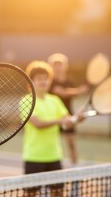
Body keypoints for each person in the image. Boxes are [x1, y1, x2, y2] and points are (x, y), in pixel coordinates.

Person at [21, 61, 84, 196]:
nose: (43, 82)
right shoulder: (26, 101)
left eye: (46, 78)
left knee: (58, 193)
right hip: (33, 157)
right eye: (39, 79)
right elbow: (37, 124)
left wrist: (76, 118)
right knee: (30, 194)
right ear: (31, 81)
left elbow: (67, 122)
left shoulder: (55, 100)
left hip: (54, 156)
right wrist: (60, 121)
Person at [47, 53, 89, 168]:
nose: (58, 67)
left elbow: (73, 97)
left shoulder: (70, 81)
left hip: (68, 116)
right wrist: (80, 90)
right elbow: (61, 92)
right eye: (55, 65)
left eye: (60, 65)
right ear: (51, 67)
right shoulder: (49, 81)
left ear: (65, 66)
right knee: (52, 145)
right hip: (53, 118)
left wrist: (79, 110)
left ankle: (75, 169)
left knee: (71, 144)